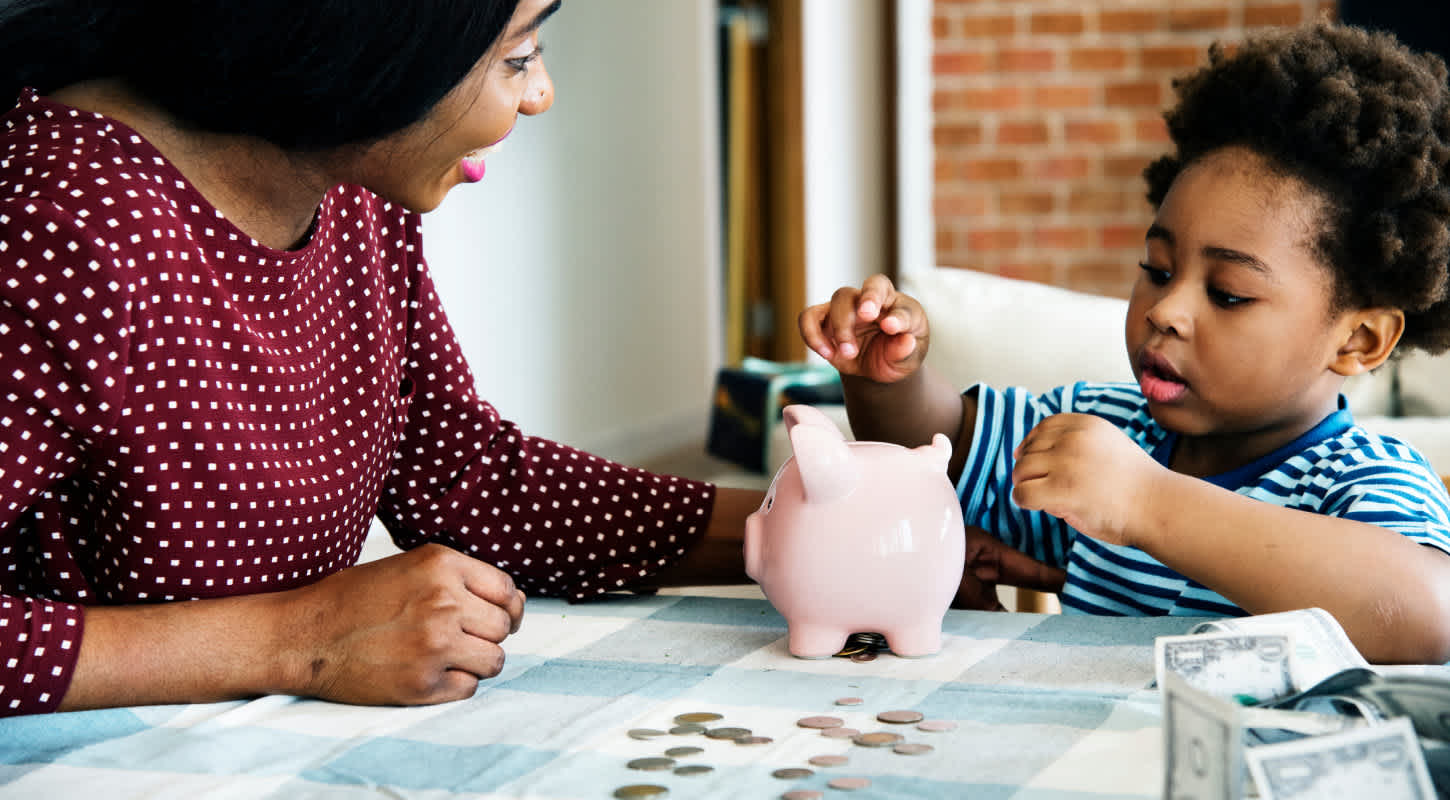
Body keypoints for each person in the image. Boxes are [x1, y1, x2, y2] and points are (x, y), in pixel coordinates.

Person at [0, 0, 791, 718]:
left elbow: (461, 476)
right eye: (518, 56)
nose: (541, 92)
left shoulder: (345, 177)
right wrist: (298, 639)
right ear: (376, 38)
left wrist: (793, 529)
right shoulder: (57, 227)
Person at [801, 22, 1450, 665]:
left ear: (1358, 339)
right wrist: (888, 376)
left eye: (1227, 293)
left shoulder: (1364, 483)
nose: (1166, 309)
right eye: (1158, 270)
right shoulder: (1104, 428)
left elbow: (1427, 617)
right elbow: (940, 449)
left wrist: (1145, 501)